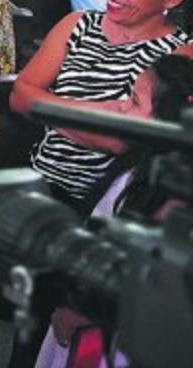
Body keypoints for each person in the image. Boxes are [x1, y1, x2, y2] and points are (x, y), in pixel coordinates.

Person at [33, 52, 193, 368]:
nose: (121, 105)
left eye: (134, 101)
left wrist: (78, 314)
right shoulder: (142, 169)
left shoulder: (171, 200)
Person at [13, 0, 193, 208]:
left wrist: (45, 108)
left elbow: (120, 142)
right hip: (33, 179)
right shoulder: (78, 24)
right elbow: (18, 96)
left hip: (104, 205)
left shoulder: (179, 56)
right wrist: (100, 115)